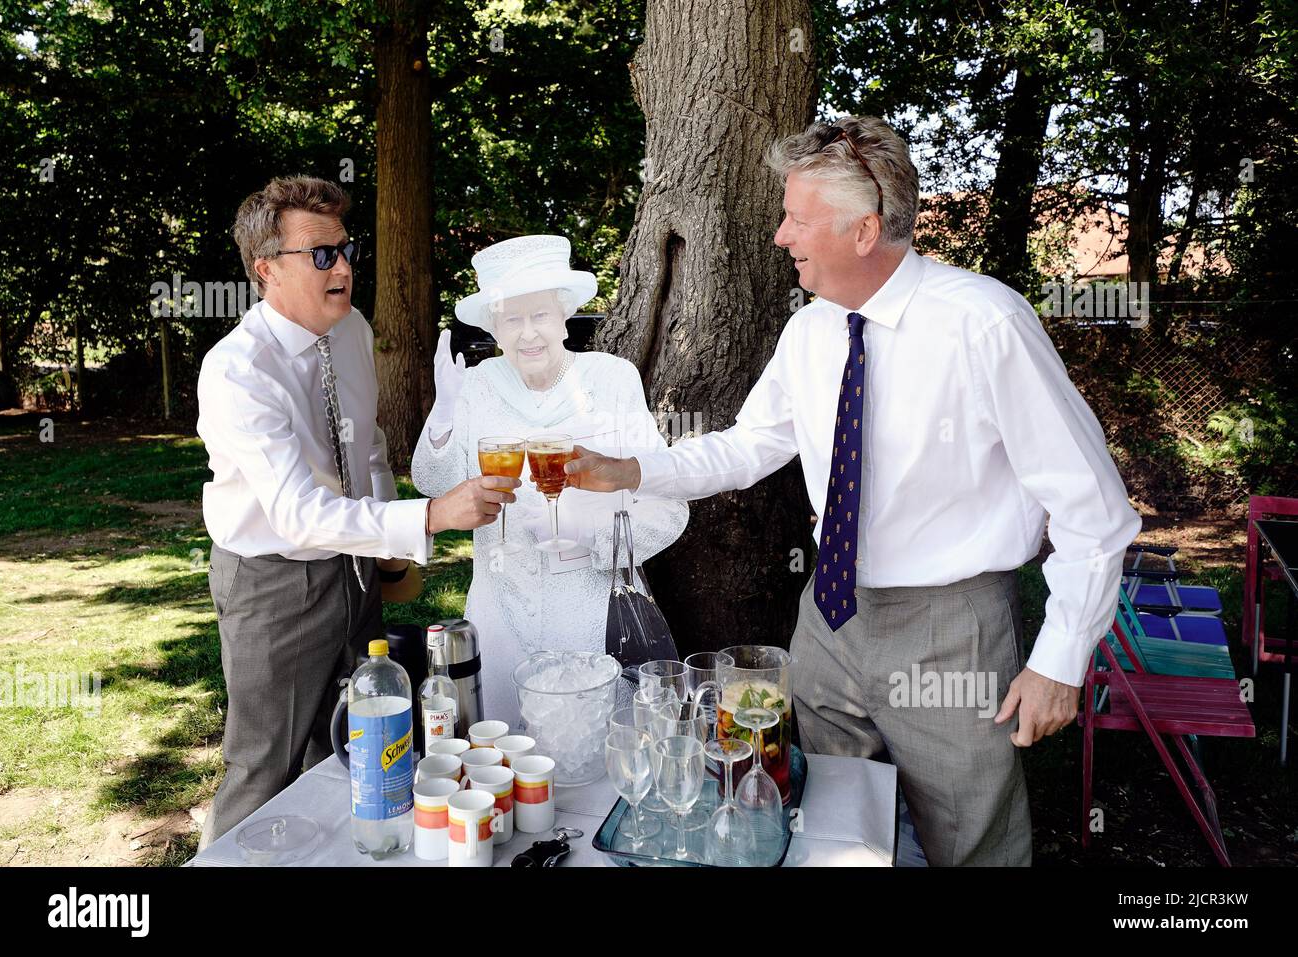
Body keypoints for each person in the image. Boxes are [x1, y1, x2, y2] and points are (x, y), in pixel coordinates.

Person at [563, 117, 1142, 866]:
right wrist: (633, 469)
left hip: (950, 630)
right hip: (829, 623)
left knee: (973, 842)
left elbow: (1094, 512)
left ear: (864, 229)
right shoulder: (810, 331)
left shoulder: (984, 323)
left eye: (797, 218)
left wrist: (1060, 659)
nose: (780, 236)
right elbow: (748, 446)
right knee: (836, 828)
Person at [196, 175, 518, 848]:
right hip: (273, 579)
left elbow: (366, 441)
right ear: (265, 270)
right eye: (321, 255)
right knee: (264, 768)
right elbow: (296, 513)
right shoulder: (237, 372)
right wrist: (426, 517)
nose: (343, 267)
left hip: (355, 567)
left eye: (346, 249)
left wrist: (384, 546)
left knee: (357, 744)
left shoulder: (352, 330)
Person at [411, 235, 688, 728]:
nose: (527, 334)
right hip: (498, 619)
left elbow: (670, 505)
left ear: (564, 315)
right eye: (511, 319)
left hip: (593, 619)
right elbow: (435, 484)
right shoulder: (474, 386)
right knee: (503, 765)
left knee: (596, 766)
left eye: (539, 315)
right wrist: (444, 413)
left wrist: (595, 539)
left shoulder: (612, 379)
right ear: (494, 326)